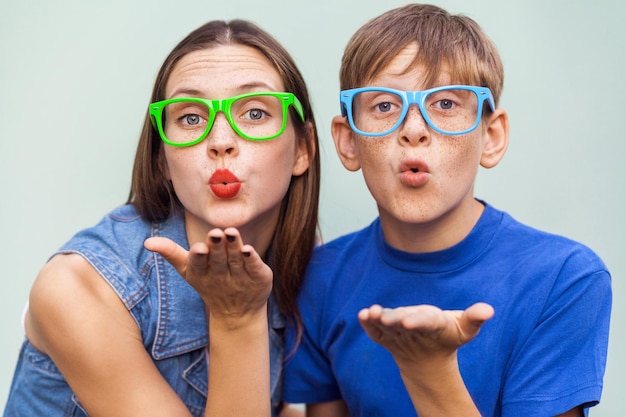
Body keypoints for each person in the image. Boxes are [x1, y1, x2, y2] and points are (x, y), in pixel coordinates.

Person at [283, 4, 611, 417]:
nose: (414, 129)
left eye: (446, 105)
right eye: (384, 106)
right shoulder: (321, 277)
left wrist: (429, 369)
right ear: (348, 142)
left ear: (491, 137)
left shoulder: (563, 279)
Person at [4, 19, 320, 417]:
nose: (221, 141)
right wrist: (235, 318)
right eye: (190, 118)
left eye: (254, 113)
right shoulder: (78, 288)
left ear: (303, 149)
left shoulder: (311, 269)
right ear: (163, 161)